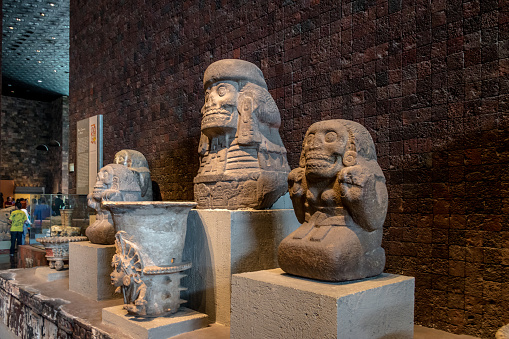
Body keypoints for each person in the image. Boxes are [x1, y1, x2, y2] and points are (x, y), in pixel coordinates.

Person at [8, 202, 27, 268]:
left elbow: (10, 220)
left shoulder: (13, 213)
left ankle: (12, 253)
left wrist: (13, 222)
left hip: (13, 229)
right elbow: (25, 220)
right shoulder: (23, 213)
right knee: (19, 242)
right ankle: (19, 253)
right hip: (20, 229)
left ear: (16, 207)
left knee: (13, 242)